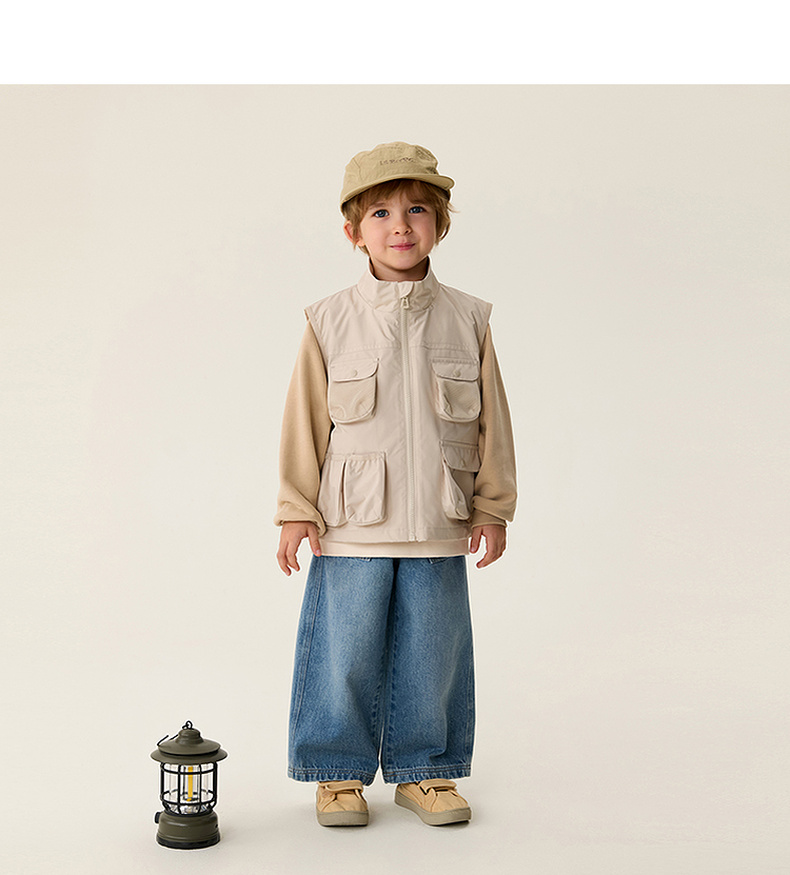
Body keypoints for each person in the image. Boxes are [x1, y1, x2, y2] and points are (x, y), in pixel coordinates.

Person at [275, 141, 517, 827]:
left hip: (440, 519)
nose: (401, 225)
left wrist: (493, 507)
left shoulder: (469, 318)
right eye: (380, 213)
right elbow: (303, 421)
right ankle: (336, 772)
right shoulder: (328, 320)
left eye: (417, 210)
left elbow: (493, 423)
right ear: (354, 231)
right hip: (352, 522)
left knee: (434, 652)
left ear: (440, 224)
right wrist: (295, 508)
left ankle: (426, 770)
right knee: (343, 651)